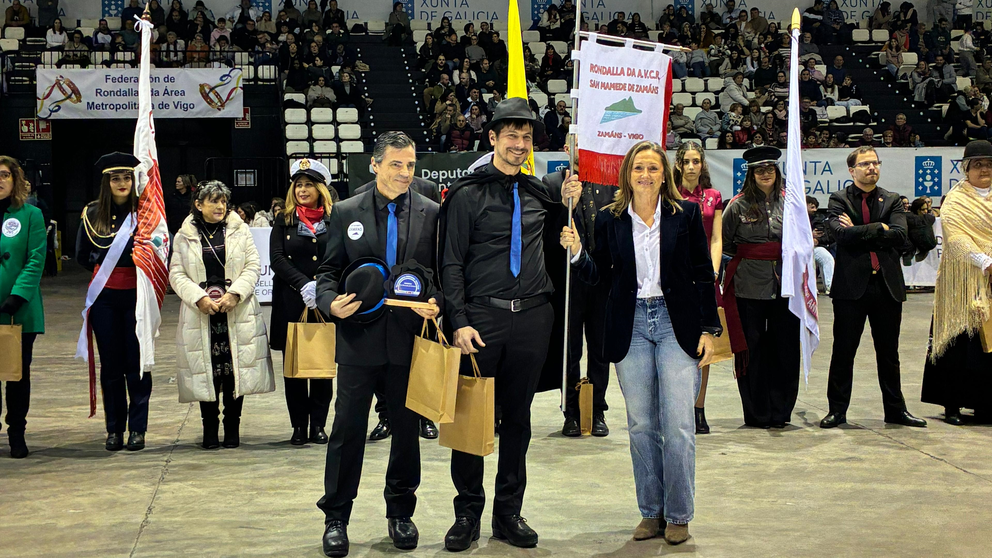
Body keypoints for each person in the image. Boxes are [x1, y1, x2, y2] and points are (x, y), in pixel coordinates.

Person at [560, 141, 719, 545]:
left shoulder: (685, 214)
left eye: (652, 168)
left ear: (664, 173)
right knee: (641, 424)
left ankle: (679, 514)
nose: (645, 175)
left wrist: (709, 329)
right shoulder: (610, 219)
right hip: (629, 324)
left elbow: (703, 273)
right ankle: (651, 512)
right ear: (626, 175)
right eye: (638, 169)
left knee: (679, 424)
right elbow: (599, 275)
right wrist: (578, 252)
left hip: (674, 323)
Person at [439, 97, 574, 551]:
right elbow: (451, 264)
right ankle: (467, 515)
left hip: (534, 319)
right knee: (470, 420)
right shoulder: (466, 194)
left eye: (527, 137)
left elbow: (563, 250)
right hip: (480, 322)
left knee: (518, 420)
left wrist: (571, 212)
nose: (520, 144)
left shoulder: (541, 194)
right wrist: (457, 320)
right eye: (512, 135)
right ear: (492, 137)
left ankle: (508, 514)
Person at [314, 132, 441, 557]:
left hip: (409, 341)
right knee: (348, 429)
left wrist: (436, 303)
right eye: (396, 165)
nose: (405, 173)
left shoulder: (431, 212)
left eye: (410, 165)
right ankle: (336, 517)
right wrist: (331, 303)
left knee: (406, 432)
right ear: (374, 165)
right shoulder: (347, 211)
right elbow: (329, 271)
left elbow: (439, 274)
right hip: (358, 339)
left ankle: (401, 513)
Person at [820, 147, 928, 428]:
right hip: (850, 288)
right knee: (844, 351)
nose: (872, 168)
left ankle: (895, 410)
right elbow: (839, 235)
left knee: (889, 353)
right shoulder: (838, 199)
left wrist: (862, 229)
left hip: (886, 285)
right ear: (851, 170)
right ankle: (837, 410)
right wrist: (880, 228)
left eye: (875, 163)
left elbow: (901, 236)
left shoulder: (891, 199)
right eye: (865, 164)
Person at [169, 180, 275, 449]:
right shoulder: (184, 235)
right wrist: (199, 298)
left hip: (235, 310)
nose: (220, 206)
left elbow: (253, 266)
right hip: (201, 313)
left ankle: (232, 426)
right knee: (207, 372)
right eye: (213, 201)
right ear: (198, 205)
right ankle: (209, 428)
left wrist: (235, 293)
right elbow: (177, 273)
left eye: (223, 201)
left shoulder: (241, 231)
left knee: (234, 371)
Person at [76, 153, 151, 451]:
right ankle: (114, 429)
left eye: (127, 178)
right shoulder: (92, 213)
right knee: (111, 366)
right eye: (115, 178)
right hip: (105, 298)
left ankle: (138, 429)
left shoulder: (146, 213)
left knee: (138, 364)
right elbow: (83, 255)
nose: (122, 183)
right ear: (106, 183)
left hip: (136, 297)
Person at [721, 147, 800, 428]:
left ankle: (781, 413)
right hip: (747, 287)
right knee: (751, 351)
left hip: (785, 286)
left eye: (770, 169)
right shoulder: (737, 206)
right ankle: (757, 414)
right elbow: (727, 244)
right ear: (751, 175)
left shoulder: (792, 202)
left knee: (785, 350)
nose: (765, 174)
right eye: (759, 170)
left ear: (777, 172)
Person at [541, 146, 613, 437]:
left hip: (602, 281)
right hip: (567, 281)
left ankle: (596, 409)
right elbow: (545, 234)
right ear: (567, 147)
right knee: (568, 350)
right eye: (576, 143)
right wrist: (562, 205)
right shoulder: (551, 183)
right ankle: (571, 411)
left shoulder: (612, 183)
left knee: (600, 350)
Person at [922, 140, 992, 424]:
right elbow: (955, 238)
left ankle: (985, 404)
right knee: (959, 341)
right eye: (977, 164)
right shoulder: (955, 199)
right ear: (966, 169)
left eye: (988, 164)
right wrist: (985, 261)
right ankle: (952, 405)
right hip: (963, 280)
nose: (984, 169)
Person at [270, 159, 336, 445]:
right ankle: (298, 426)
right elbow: (276, 258)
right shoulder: (283, 219)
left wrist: (321, 286)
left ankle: (318, 425)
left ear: (321, 188)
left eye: (309, 184)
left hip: (325, 303)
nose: (303, 190)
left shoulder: (336, 219)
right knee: (294, 370)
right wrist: (303, 284)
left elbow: (340, 257)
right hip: (291, 304)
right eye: (298, 185)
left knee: (322, 369)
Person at [673, 143, 723, 434]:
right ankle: (678, 405)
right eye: (687, 161)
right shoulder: (669, 195)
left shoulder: (713, 197)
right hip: (677, 278)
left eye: (696, 161)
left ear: (703, 165)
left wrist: (713, 272)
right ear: (678, 165)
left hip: (704, 278)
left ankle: (699, 407)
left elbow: (716, 239)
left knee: (706, 345)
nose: (692, 166)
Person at [0, 157, 45, 459]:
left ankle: (17, 432)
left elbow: (36, 257)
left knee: (15, 375)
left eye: (4, 175)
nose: (0, 180)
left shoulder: (31, 215)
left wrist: (18, 295)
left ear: (15, 180)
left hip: (17, 310)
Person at [807, 196, 835, 294]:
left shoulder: (818, 220)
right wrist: (810, 234)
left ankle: (830, 287)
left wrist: (817, 241)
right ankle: (810, 289)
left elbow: (825, 237)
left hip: (815, 247)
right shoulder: (794, 218)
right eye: (812, 207)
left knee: (827, 258)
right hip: (800, 248)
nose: (815, 210)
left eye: (815, 207)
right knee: (809, 261)